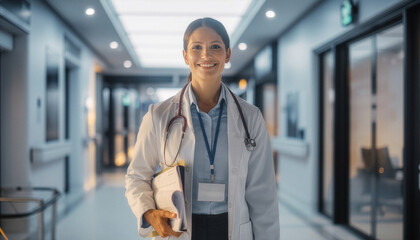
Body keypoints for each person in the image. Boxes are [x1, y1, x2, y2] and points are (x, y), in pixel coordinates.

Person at [125, 17, 279, 240]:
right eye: (196, 47)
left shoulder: (251, 117)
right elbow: (137, 175)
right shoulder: (159, 115)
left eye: (215, 47)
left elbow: (263, 194)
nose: (206, 55)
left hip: (232, 227)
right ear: (185, 55)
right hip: (180, 228)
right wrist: (147, 211)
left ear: (227, 54)